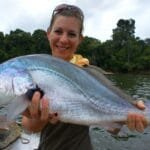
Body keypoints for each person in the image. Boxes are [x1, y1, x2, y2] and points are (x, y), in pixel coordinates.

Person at [22, 3, 147, 150]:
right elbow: (29, 127)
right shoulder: (35, 74)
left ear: (80, 39)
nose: (63, 39)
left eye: (71, 34)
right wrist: (40, 117)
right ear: (48, 33)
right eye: (58, 31)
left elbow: (113, 126)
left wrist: (135, 112)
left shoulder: (92, 73)